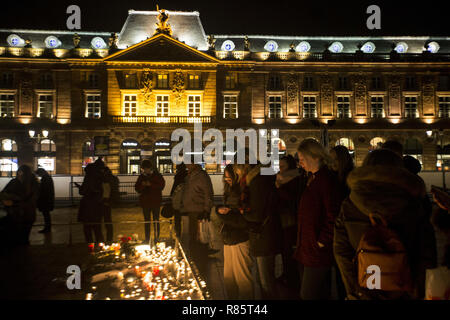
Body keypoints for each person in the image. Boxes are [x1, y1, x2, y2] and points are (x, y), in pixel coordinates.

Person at [333, 149, 437, 299]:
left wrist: (354, 289)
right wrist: (418, 289)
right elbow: (426, 252)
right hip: (403, 288)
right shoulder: (412, 203)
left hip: (366, 285)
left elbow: (341, 250)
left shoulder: (350, 204)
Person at [295, 139, 343, 300]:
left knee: (308, 294)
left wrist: (321, 241)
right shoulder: (313, 179)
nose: (300, 163)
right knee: (319, 293)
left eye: (302, 159)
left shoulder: (326, 181)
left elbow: (333, 215)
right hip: (309, 246)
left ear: (315, 157)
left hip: (317, 250)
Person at [240, 161, 283, 300]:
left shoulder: (257, 182)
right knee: (264, 278)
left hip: (263, 235)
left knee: (265, 280)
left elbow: (257, 214)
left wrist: (242, 213)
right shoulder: (260, 179)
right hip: (267, 233)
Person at [216, 164, 253, 299]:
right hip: (228, 238)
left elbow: (243, 219)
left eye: (229, 176)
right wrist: (219, 210)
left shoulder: (243, 191)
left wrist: (224, 215)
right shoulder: (230, 191)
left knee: (243, 278)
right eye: (225, 177)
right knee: (228, 277)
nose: (227, 179)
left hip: (239, 238)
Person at [275, 155, 307, 291]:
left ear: (290, 166)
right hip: (282, 218)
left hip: (291, 220)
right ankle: (287, 274)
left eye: (283, 166)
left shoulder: (294, 179)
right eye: (279, 166)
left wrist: (278, 188)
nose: (280, 169)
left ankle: (293, 279)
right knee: (284, 249)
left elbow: (292, 198)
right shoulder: (281, 178)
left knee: (289, 250)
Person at [180, 160, 214, 258]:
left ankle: (200, 254)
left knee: (200, 233)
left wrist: (206, 210)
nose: (186, 165)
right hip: (191, 210)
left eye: (188, 163)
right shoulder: (189, 176)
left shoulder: (201, 176)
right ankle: (195, 252)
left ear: (194, 163)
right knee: (193, 234)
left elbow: (208, 193)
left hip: (199, 210)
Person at [1, 165, 39, 246]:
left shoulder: (30, 183)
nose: (20, 174)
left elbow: (3, 194)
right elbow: (3, 194)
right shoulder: (33, 183)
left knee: (21, 236)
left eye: (21, 172)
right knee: (23, 236)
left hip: (19, 213)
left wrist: (13, 199)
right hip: (23, 213)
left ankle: (21, 251)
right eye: (19, 172)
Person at [135, 160, 165, 243]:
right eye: (143, 169)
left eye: (146, 169)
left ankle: (156, 238)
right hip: (145, 203)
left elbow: (162, 186)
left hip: (155, 202)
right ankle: (147, 238)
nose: (145, 171)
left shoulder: (157, 175)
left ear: (150, 168)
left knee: (156, 221)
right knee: (147, 221)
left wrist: (151, 185)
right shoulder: (141, 177)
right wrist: (142, 186)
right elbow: (137, 188)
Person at [78, 162, 104, 244]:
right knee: (97, 228)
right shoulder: (99, 178)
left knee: (87, 228)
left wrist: (81, 188)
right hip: (97, 206)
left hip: (88, 206)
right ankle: (100, 244)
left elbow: (83, 191)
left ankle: (90, 245)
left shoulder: (88, 178)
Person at [102, 166, 120, 243]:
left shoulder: (104, 179)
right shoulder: (112, 178)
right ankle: (109, 239)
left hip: (104, 201)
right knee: (108, 221)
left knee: (104, 222)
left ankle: (104, 240)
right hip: (107, 202)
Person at [170, 163, 188, 238]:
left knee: (177, 221)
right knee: (186, 220)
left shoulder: (178, 177)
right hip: (186, 202)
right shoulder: (188, 176)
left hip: (178, 202)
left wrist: (171, 197)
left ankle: (178, 236)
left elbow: (174, 190)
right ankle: (186, 236)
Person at [35, 167, 55, 234]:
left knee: (46, 215)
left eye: (39, 174)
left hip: (45, 200)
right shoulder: (48, 177)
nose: (39, 176)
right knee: (46, 215)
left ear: (41, 172)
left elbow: (43, 190)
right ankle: (47, 228)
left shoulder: (45, 178)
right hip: (48, 200)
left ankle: (47, 228)